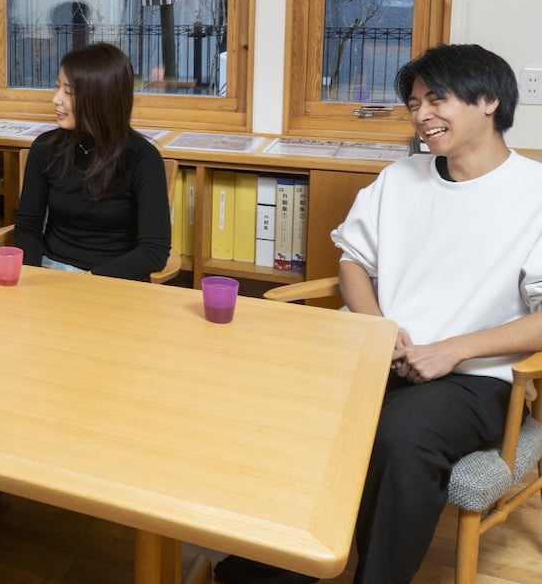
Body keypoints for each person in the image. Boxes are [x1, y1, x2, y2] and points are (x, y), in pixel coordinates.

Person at [215, 44, 542, 584]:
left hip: (475, 378)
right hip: (379, 352)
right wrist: (377, 328)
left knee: (401, 436)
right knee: (288, 406)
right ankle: (271, 568)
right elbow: (353, 263)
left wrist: (451, 351)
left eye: (437, 100)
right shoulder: (402, 177)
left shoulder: (533, 192)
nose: (422, 115)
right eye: (414, 104)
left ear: (489, 100)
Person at [0, 41, 172, 558]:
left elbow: (153, 251)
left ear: (98, 97)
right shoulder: (46, 149)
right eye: (57, 87)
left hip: (113, 294)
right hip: (49, 282)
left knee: (89, 384)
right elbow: (27, 228)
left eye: (66, 90)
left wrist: (85, 283)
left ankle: (95, 489)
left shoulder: (141, 158)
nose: (55, 99)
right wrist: (39, 280)